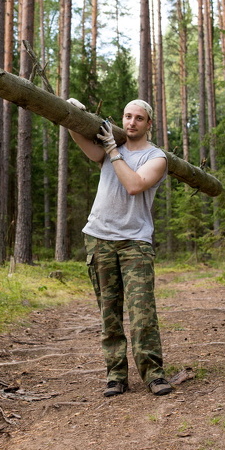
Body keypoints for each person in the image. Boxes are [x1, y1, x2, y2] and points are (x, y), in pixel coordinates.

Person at [67, 97, 173, 397]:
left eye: (138, 118)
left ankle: (153, 373)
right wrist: (74, 111)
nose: (131, 123)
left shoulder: (157, 158)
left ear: (149, 123)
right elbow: (77, 135)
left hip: (135, 242)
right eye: (127, 117)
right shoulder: (107, 150)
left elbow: (135, 185)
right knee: (108, 313)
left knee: (142, 313)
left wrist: (113, 150)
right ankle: (115, 375)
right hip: (99, 238)